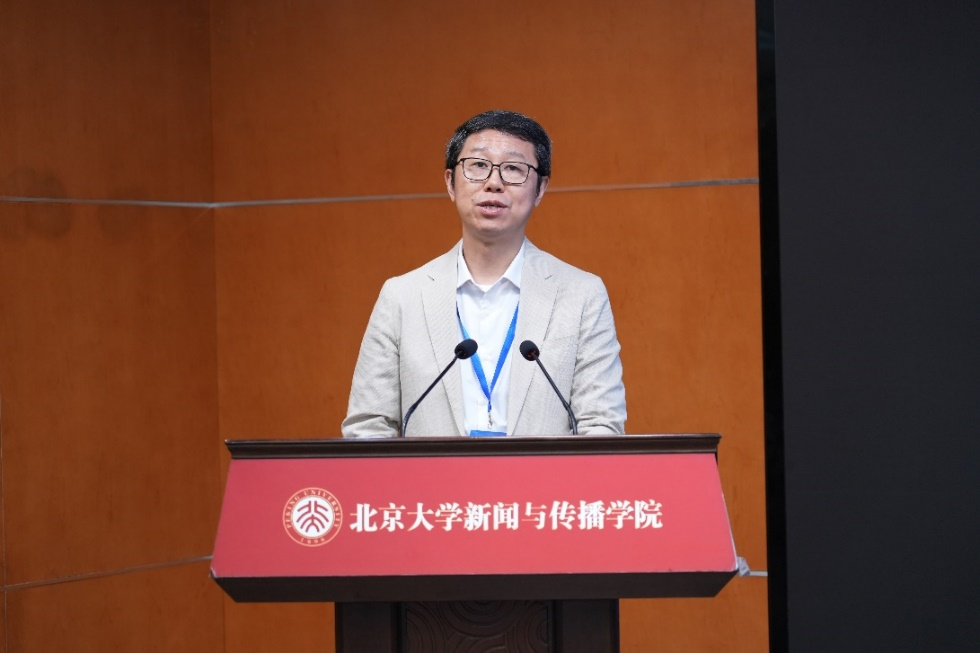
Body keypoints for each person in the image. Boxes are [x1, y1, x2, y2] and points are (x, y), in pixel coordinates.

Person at [341, 110, 626, 438]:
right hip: (432, 475)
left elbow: (601, 426)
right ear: (450, 182)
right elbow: (368, 427)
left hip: (542, 474)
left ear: (540, 189)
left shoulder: (582, 295)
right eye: (478, 165)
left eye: (513, 169)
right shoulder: (402, 297)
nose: (494, 183)